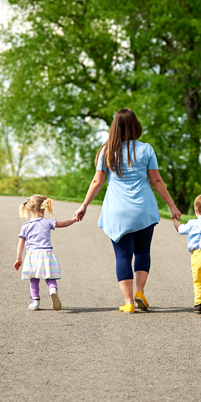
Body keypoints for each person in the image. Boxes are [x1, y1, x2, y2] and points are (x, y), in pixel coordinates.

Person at [73, 108, 181, 313]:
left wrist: (84, 205)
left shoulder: (107, 151)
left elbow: (97, 181)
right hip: (143, 210)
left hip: (118, 212)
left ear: (114, 128)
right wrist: (172, 206)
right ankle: (140, 291)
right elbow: (156, 181)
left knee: (123, 256)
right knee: (142, 251)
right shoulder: (146, 149)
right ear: (136, 127)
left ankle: (129, 302)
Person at [14, 195, 77, 311]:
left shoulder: (25, 226)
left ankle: (35, 302)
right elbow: (63, 224)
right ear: (43, 209)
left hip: (32, 256)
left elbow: (20, 244)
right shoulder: (47, 222)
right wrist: (74, 219)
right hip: (46, 254)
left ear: (27, 210)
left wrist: (19, 258)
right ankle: (52, 290)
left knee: (33, 279)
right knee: (50, 276)